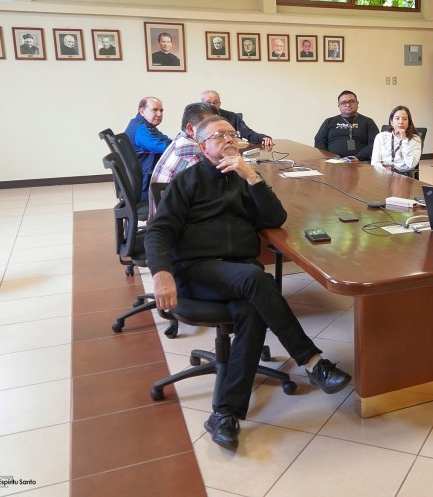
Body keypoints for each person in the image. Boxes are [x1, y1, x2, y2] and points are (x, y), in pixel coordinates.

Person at [145, 115, 352, 451]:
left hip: (239, 272)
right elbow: (158, 230)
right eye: (218, 136)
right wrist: (161, 272)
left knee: (253, 312)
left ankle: (224, 413)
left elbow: (274, 219)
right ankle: (312, 362)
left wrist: (253, 177)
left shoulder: (244, 177)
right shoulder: (189, 180)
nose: (228, 139)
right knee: (258, 278)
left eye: (231, 134)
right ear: (202, 146)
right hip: (198, 268)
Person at [150, 101, 217, 192]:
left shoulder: (181, 138)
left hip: (165, 202)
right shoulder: (196, 153)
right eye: (208, 126)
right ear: (190, 129)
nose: (215, 132)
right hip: (175, 205)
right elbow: (214, 190)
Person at [125, 97, 172, 200]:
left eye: (161, 110)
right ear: (142, 111)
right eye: (155, 110)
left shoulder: (145, 125)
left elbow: (166, 140)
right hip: (145, 184)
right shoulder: (141, 129)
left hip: (145, 176)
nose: (159, 114)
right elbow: (165, 149)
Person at [314, 90, 379, 161]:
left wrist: (359, 157)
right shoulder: (329, 121)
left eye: (351, 101)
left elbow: (375, 143)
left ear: (357, 103)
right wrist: (329, 157)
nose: (348, 105)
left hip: (360, 162)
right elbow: (319, 141)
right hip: (333, 162)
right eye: (343, 102)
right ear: (339, 106)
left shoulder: (368, 121)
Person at [200, 90, 274, 147]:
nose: (212, 105)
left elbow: (248, 134)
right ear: (202, 104)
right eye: (209, 102)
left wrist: (263, 138)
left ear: (219, 104)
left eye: (215, 102)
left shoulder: (232, 116)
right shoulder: (197, 118)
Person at [370, 106, 422, 173]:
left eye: (404, 119)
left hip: (402, 175)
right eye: (397, 118)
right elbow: (375, 162)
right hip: (382, 173)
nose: (401, 122)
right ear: (391, 122)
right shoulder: (381, 137)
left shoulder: (415, 139)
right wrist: (387, 173)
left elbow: (411, 165)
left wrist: (404, 139)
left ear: (409, 123)